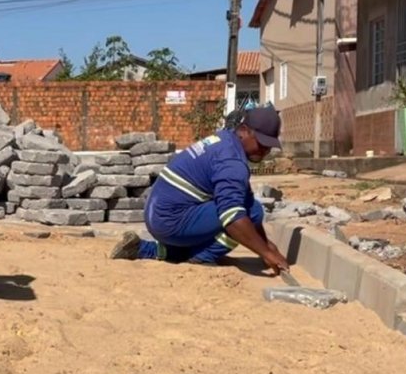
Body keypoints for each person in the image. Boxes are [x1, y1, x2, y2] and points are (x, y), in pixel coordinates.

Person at [110, 105, 290, 274]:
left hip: (158, 214)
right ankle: (203, 256)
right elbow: (233, 215)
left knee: (245, 207)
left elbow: (243, 194)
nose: (265, 150)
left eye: (269, 146)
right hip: (172, 220)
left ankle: (145, 249)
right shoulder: (232, 162)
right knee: (251, 211)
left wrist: (267, 246)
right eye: (261, 143)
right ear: (244, 131)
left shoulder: (225, 140)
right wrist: (266, 253)